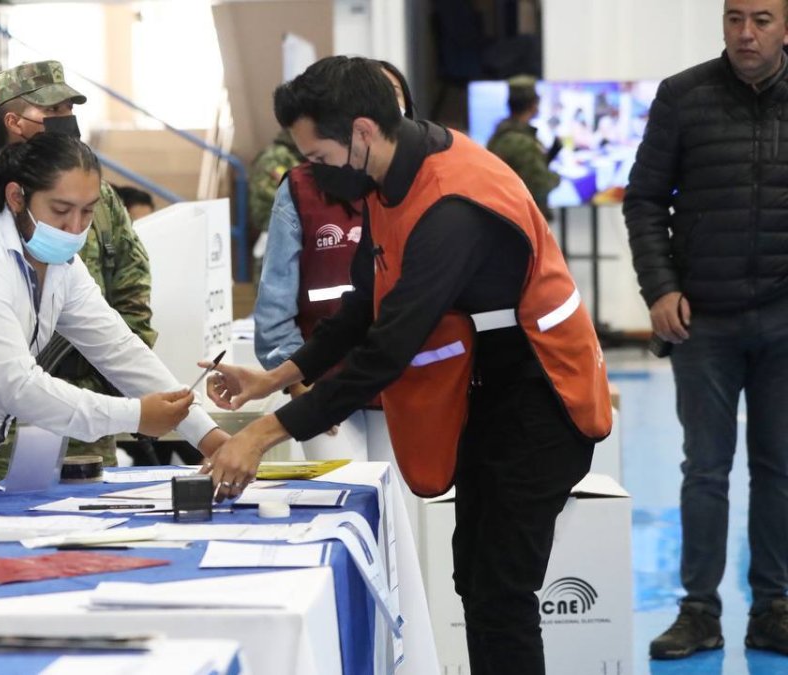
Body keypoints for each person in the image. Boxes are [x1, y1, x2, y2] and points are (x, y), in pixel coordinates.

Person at [201, 56, 611, 674]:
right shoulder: (391, 181)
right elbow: (364, 302)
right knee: (476, 579)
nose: (315, 173)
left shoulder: (452, 206)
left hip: (540, 401)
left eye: (320, 158)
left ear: (363, 132)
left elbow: (387, 349)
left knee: (501, 591)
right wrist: (275, 378)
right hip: (488, 397)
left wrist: (265, 432)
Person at [0, 133, 228, 506]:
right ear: (17, 197)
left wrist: (209, 436)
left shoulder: (58, 262)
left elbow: (117, 346)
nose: (75, 227)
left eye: (87, 211)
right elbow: (19, 388)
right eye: (61, 211)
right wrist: (136, 415)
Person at [624, 0, 788, 659]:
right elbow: (643, 198)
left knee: (779, 467)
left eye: (762, 20)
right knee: (705, 470)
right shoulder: (683, 97)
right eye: (734, 18)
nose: (746, 34)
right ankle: (698, 610)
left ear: (786, 26)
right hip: (704, 323)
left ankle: (775, 604)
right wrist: (660, 288)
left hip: (783, 320)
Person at [0, 60, 155, 480]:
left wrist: (111, 397)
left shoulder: (99, 199)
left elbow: (131, 299)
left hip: (92, 408)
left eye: (68, 110)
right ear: (14, 121)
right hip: (3, 421)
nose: (66, 122)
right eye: (52, 113)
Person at [254, 59, 414, 463]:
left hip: (401, 387)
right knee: (345, 491)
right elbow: (276, 307)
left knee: (397, 509)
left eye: (396, 99)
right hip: (325, 385)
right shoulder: (300, 189)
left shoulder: (416, 189)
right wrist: (296, 384)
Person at [486, 75, 561, 221]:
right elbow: (539, 185)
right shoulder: (522, 141)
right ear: (533, 105)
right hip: (523, 220)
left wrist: (548, 157)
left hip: (508, 219)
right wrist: (557, 178)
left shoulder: (499, 135)